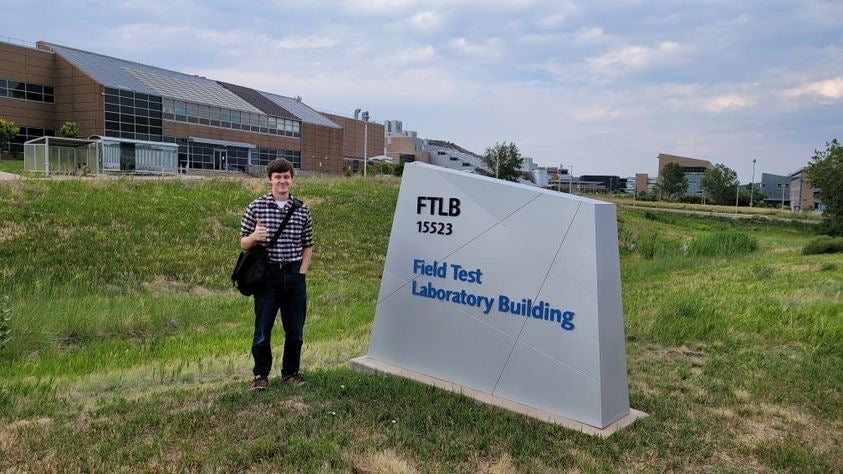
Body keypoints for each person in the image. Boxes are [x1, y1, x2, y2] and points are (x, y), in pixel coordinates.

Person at [239, 158, 313, 391]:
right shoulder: (256, 207)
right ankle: (260, 375)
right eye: (277, 177)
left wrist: (301, 273)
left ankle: (291, 373)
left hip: (293, 275)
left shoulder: (302, 210)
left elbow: (308, 245)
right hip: (267, 276)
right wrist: (255, 237)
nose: (282, 181)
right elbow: (243, 243)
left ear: (292, 179)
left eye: (286, 176)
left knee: (295, 330)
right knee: (262, 329)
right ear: (270, 179)